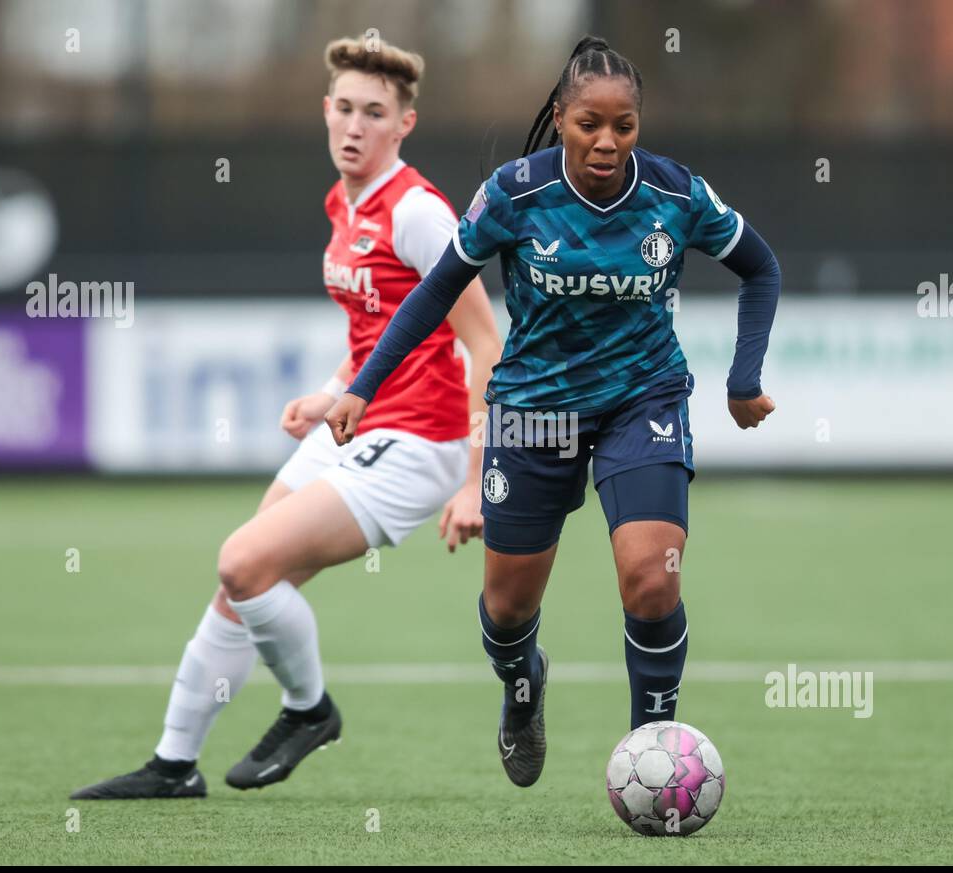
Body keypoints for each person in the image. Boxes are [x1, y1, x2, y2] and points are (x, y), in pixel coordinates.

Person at [325, 36, 780, 788]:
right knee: (506, 612)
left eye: (624, 126)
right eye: (589, 124)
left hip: (643, 400)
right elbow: (437, 289)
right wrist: (363, 385)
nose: (607, 142)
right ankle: (523, 686)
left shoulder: (676, 195)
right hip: (534, 409)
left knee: (652, 579)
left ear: (639, 125)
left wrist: (742, 379)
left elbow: (760, 267)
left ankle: (654, 750)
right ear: (561, 119)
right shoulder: (513, 194)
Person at [72, 35, 502, 799]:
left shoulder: (418, 214)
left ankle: (311, 710)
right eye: (344, 108)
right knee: (240, 587)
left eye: (375, 112)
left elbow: (484, 341)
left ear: (405, 124)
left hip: (417, 443)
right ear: (325, 110)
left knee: (242, 561)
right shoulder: (344, 199)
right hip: (357, 424)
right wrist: (331, 388)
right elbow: (378, 326)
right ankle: (174, 765)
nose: (355, 125)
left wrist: (475, 480)